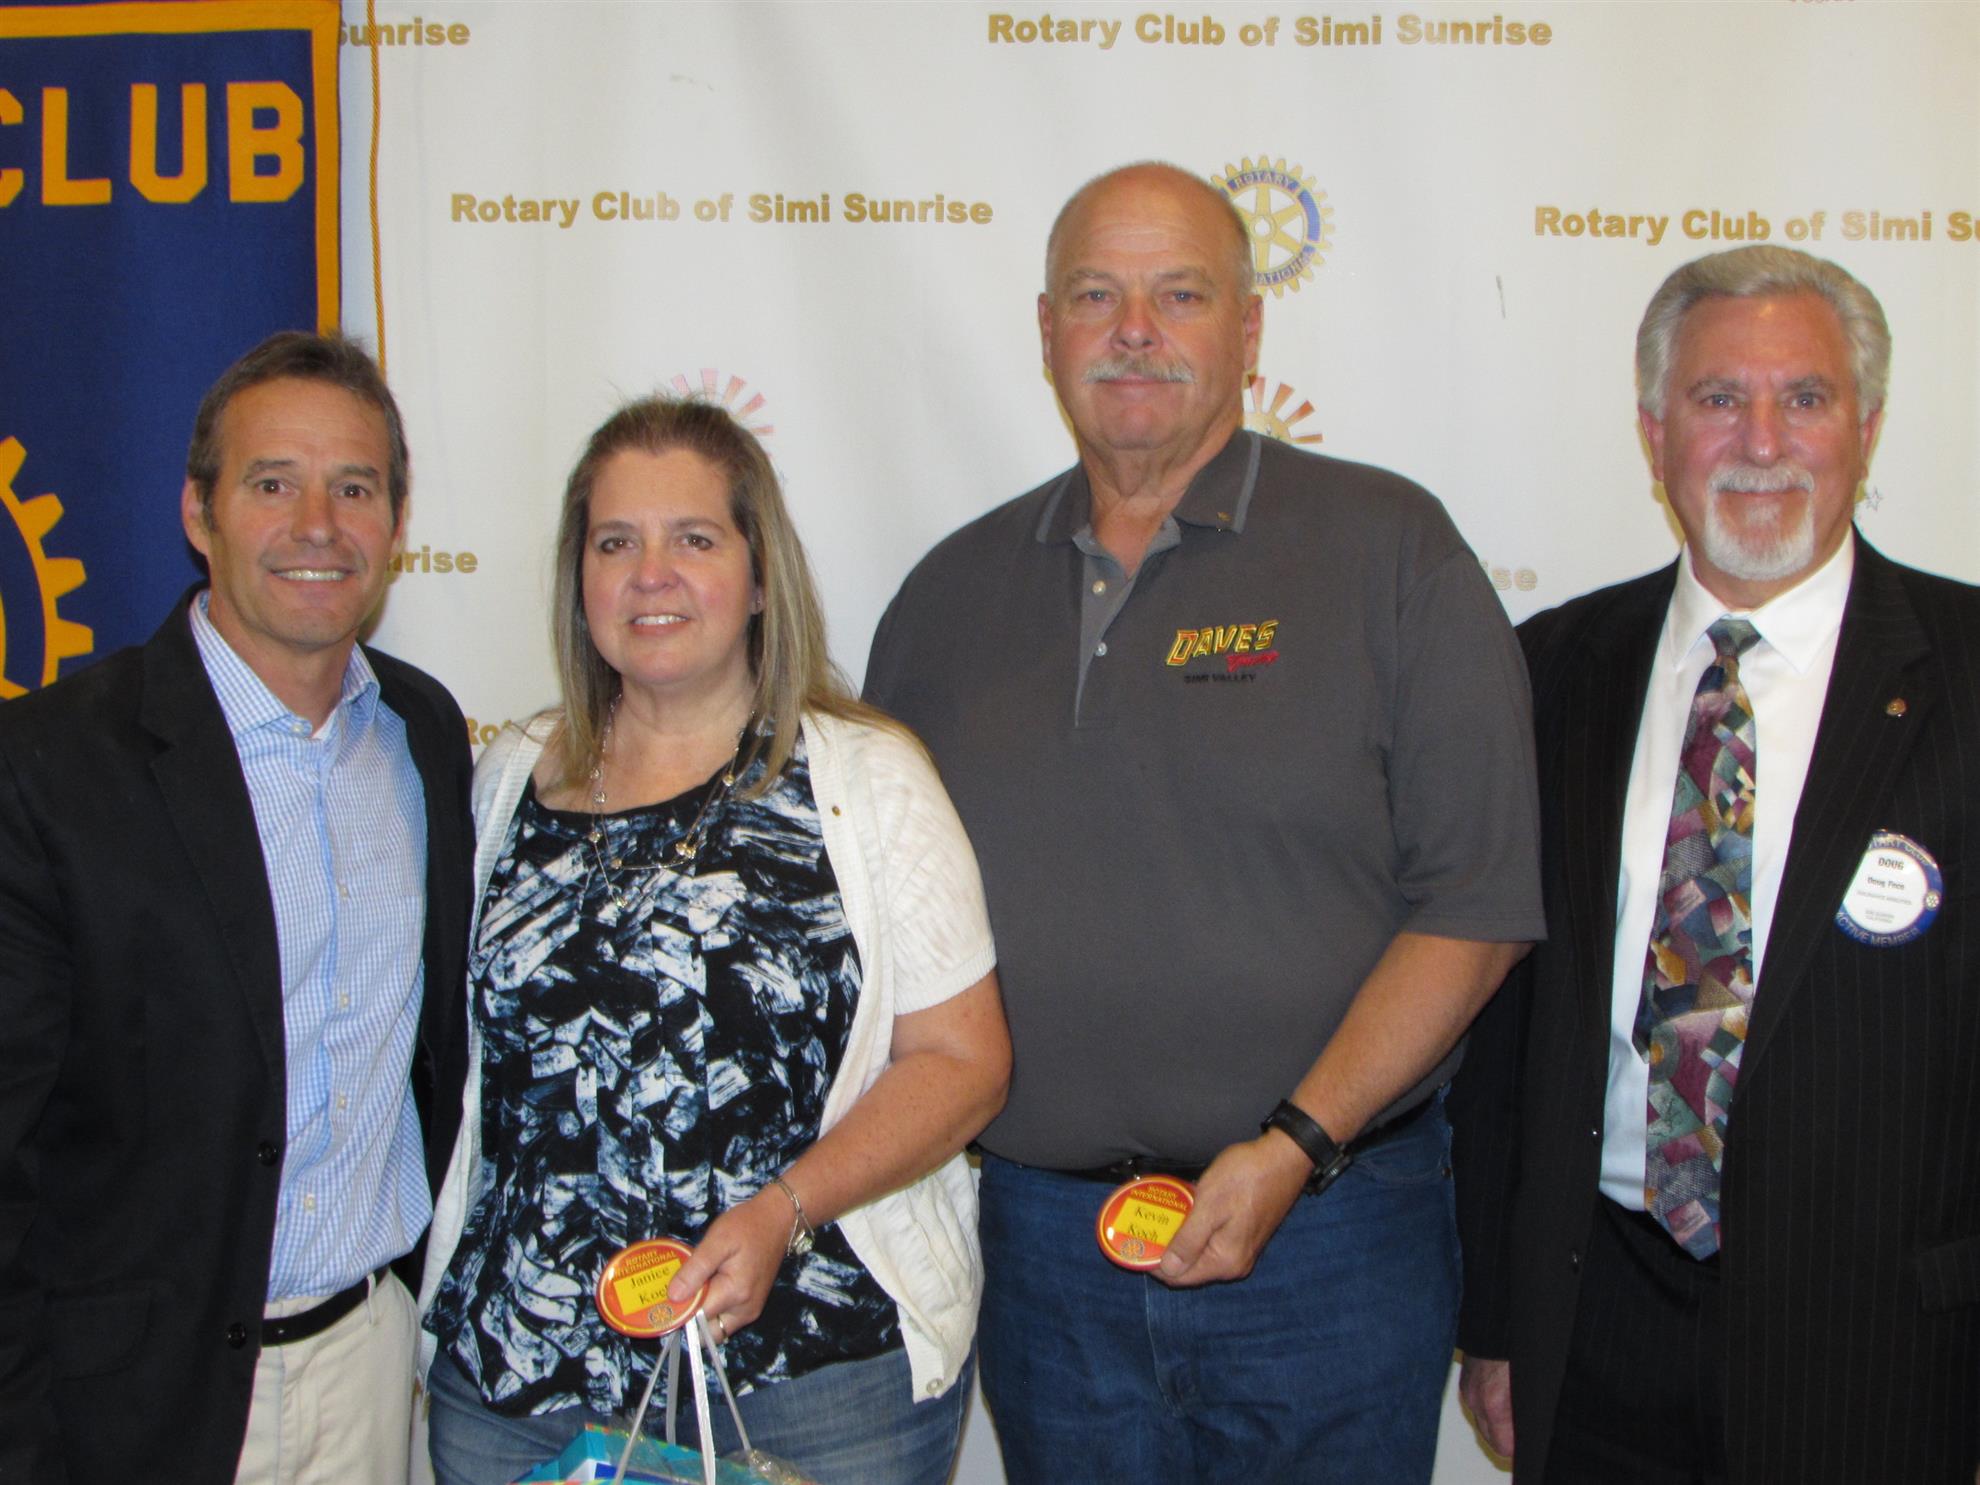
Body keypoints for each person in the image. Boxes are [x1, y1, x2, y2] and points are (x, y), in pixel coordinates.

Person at [862, 160, 1543, 1483]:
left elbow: (1480, 906)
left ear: (1249, 327)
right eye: (1095, 295)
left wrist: (1296, 1145)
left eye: (1179, 294)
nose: (1135, 330)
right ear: (1045, 330)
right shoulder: (946, 596)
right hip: (1047, 1253)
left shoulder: (1391, 548)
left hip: (1328, 1236)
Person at [1450, 245, 1980, 1483]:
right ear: (1654, 434)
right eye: (1718, 398)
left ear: (1868, 428)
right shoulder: (1553, 668)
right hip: (1599, 1314)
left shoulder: (1967, 671)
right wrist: (1499, 1318)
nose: (1763, 441)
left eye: (1806, 398)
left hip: (1885, 1341)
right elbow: (1500, 1022)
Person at [418, 396, 1010, 1485]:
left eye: (693, 539)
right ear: (579, 580)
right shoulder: (507, 776)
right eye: (615, 543)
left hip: (810, 1383)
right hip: (521, 1391)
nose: (652, 576)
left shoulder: (864, 778)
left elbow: (964, 1063)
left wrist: (785, 1211)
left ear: (761, 576)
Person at [0, 331, 474, 1482]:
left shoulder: (424, 735)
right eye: (272, 484)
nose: (318, 525)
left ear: (396, 523)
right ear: (197, 514)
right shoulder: (51, 767)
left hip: (373, 1372)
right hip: (130, 1407)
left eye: (353, 488)